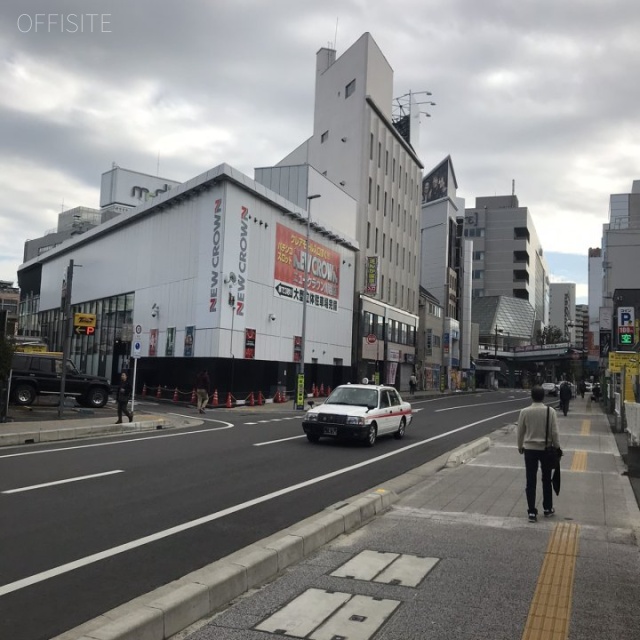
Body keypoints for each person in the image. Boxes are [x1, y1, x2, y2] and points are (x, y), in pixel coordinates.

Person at [517, 385, 561, 522]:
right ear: (543, 397)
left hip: (529, 449)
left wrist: (520, 446)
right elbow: (554, 432)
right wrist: (558, 447)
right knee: (546, 479)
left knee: (530, 480)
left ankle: (531, 512)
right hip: (546, 450)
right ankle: (547, 508)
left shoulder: (524, 411)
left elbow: (520, 431)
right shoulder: (550, 411)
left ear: (531, 396)